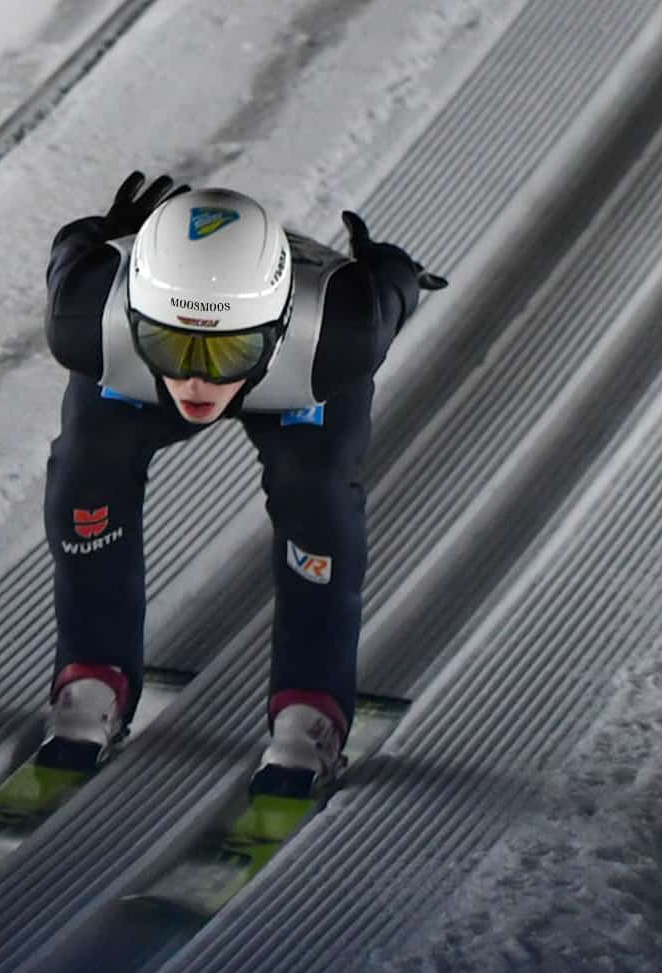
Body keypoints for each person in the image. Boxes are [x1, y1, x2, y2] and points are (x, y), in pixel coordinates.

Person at [40, 170, 440, 795]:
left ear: (279, 328)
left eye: (227, 353)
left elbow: (72, 248)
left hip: (223, 375)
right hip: (286, 375)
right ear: (132, 315)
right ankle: (96, 670)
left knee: (317, 500)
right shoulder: (85, 314)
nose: (197, 383)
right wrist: (390, 266)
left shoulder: (342, 327)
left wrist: (100, 238)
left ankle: (310, 699)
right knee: (86, 473)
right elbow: (391, 288)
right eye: (171, 346)